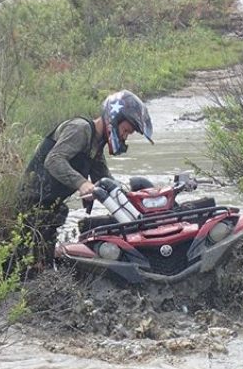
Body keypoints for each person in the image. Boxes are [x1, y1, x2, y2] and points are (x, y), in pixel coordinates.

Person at [16, 89, 154, 270]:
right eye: (125, 130)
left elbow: (105, 180)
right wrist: (82, 183)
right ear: (114, 119)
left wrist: (134, 198)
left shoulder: (96, 145)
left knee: (45, 265)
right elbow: (54, 159)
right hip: (28, 207)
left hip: (49, 209)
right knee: (21, 266)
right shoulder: (80, 129)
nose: (124, 136)